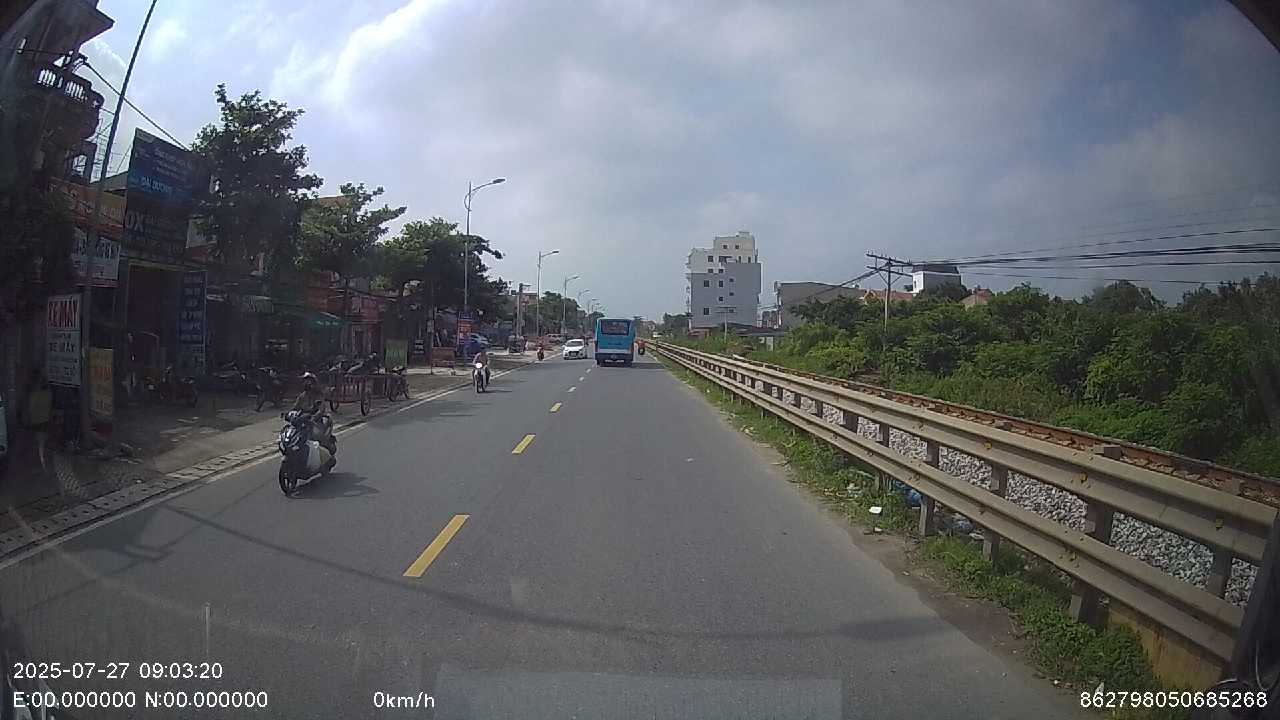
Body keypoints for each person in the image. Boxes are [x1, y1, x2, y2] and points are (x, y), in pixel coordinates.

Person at [23, 369, 52, 474]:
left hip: (37, 421)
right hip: (42, 420)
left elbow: (30, 408)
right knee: (40, 444)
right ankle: (42, 465)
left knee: (39, 444)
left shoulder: (33, 394)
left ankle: (41, 464)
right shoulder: (46, 392)